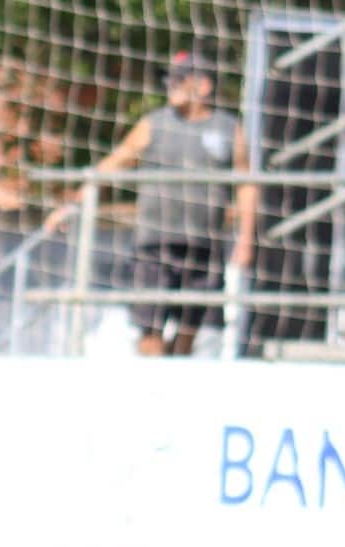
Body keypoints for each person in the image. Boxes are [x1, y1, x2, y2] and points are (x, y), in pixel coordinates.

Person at [55, 47, 257, 357]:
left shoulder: (228, 129)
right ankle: (152, 382)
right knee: (150, 327)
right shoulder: (154, 124)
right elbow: (114, 164)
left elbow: (247, 184)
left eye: (179, 80)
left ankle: (174, 380)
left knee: (190, 328)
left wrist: (245, 238)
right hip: (154, 242)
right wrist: (73, 203)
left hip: (204, 244)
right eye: (170, 80)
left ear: (204, 86)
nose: (171, 86)